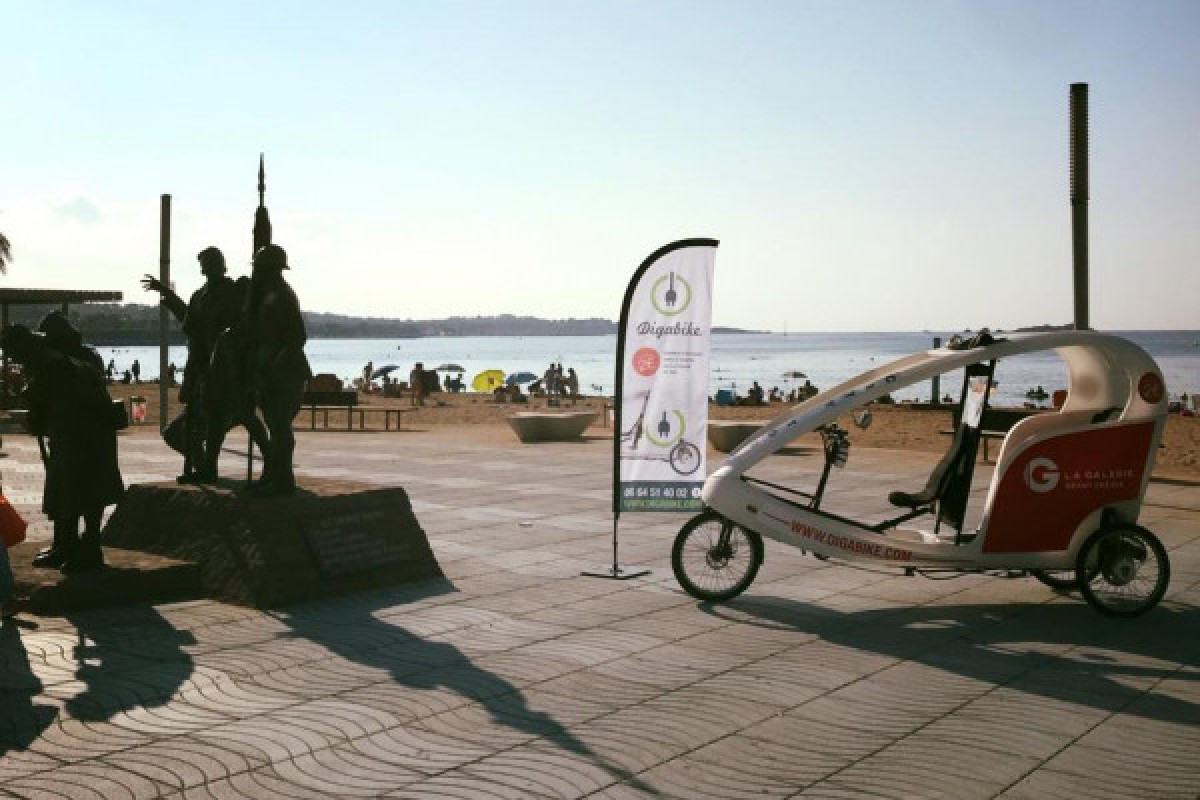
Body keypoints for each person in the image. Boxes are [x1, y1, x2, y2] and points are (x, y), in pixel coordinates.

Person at [2, 322, 124, 573]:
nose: (13, 358)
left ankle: (90, 548)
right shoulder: (41, 358)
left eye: (14, 353)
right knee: (62, 487)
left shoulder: (54, 360)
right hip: (67, 431)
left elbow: (43, 391)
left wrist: (28, 396)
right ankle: (64, 545)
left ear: (25, 345)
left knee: (86, 489)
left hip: (88, 432)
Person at [143, 246, 244, 482]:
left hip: (223, 369)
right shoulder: (199, 295)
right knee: (178, 432)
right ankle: (202, 468)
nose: (208, 267)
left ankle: (208, 470)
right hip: (199, 368)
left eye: (212, 262)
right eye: (205, 263)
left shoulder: (233, 292)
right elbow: (189, 320)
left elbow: (242, 325)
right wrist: (167, 294)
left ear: (222, 264)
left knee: (217, 423)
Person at [242, 244, 312, 496]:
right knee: (274, 425)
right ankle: (273, 475)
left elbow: (296, 338)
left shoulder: (281, 295)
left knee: (281, 427)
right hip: (268, 370)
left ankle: (283, 480)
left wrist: (272, 368)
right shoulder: (267, 295)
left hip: (284, 373)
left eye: (260, 268)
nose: (256, 273)